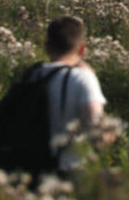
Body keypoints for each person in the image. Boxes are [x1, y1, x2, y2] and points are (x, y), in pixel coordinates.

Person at [37, 15, 107, 176]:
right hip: (69, 172)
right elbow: (97, 134)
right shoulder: (82, 78)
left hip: (31, 173)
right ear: (82, 49)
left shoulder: (33, 75)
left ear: (46, 47)